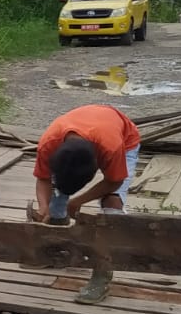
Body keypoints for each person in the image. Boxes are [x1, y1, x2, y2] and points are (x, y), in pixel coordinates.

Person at [28, 103, 142, 303]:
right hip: (90, 128)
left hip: (124, 140)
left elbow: (114, 181)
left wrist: (79, 201)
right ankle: (55, 242)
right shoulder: (49, 142)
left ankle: (102, 274)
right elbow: (43, 178)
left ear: (98, 165)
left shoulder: (111, 147)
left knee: (112, 203)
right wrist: (43, 207)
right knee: (55, 201)